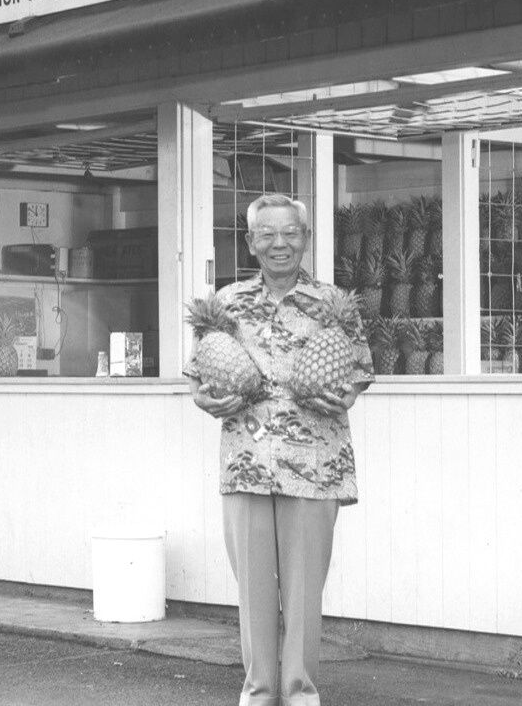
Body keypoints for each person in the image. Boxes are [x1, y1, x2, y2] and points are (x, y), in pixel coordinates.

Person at [185, 193, 374, 706]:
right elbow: (198, 381)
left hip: (315, 462)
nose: (279, 243)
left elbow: (359, 374)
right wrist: (207, 399)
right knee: (253, 587)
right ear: (250, 242)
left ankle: (300, 691)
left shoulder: (334, 305)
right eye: (266, 234)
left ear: (306, 238)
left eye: (290, 232)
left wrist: (346, 393)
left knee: (304, 588)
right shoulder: (226, 304)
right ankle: (258, 690)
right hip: (246, 459)